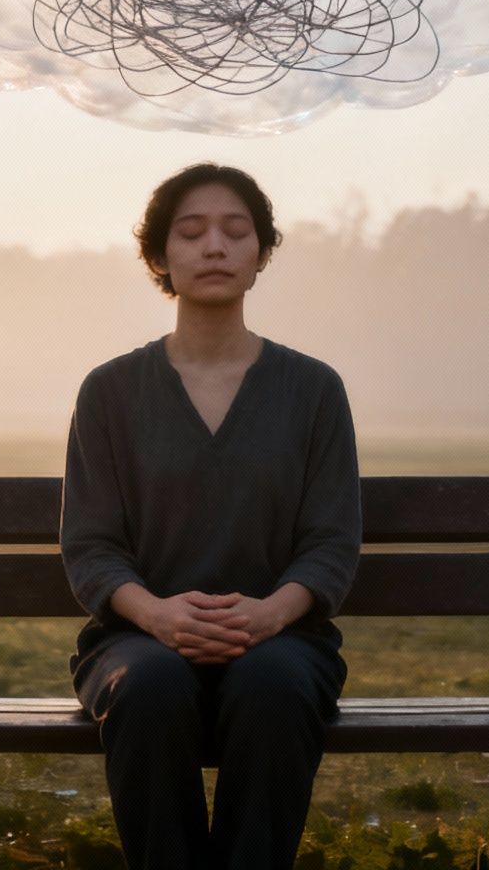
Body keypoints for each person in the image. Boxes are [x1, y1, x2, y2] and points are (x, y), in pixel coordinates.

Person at [60, 162, 362, 870]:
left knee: (274, 688)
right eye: (191, 232)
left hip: (284, 639)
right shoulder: (110, 392)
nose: (215, 247)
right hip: (135, 639)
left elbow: (331, 542)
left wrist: (270, 616)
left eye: (236, 231)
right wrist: (158, 617)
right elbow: (91, 545)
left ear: (260, 255)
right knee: (152, 688)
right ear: (161, 258)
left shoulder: (314, 391)